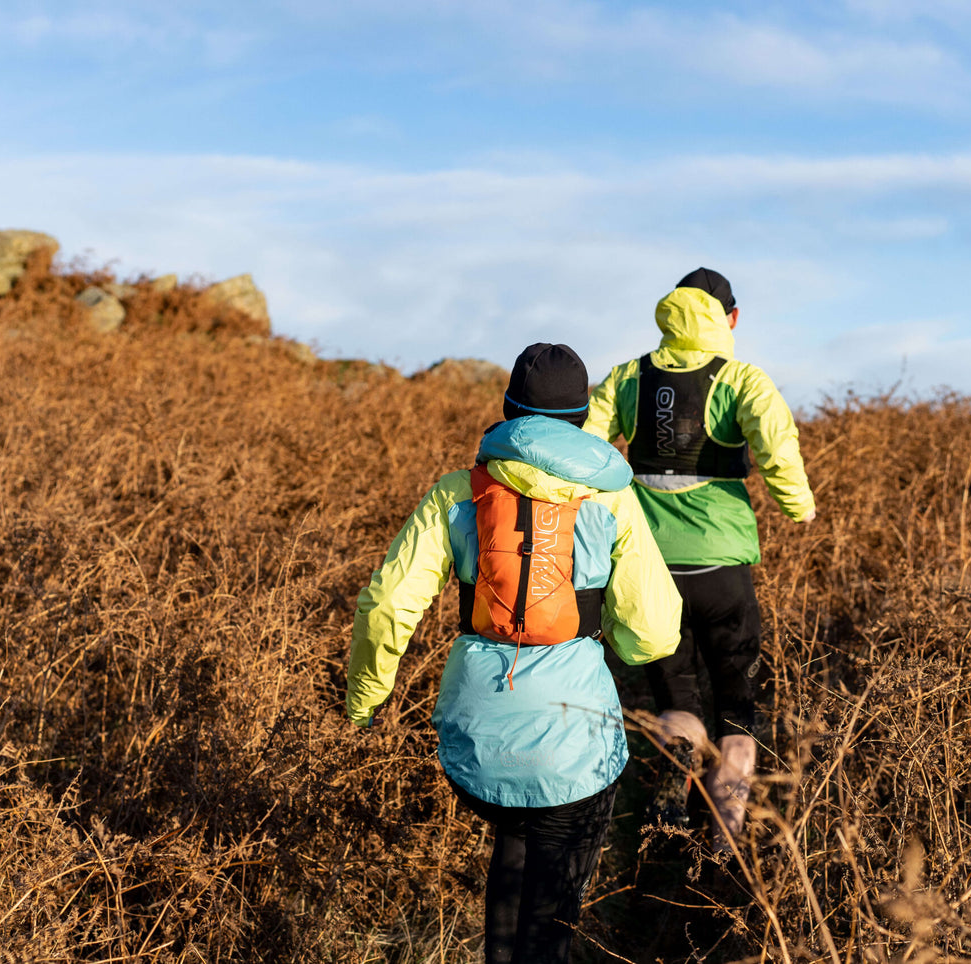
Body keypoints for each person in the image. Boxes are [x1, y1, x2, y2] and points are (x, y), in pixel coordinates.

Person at [346, 343, 681, 964]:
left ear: (507, 411)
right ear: (584, 419)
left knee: (515, 833)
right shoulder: (612, 500)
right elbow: (654, 634)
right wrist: (615, 640)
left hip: (477, 735)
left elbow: (389, 606)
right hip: (574, 737)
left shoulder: (458, 492)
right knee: (553, 903)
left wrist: (365, 701)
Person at [583, 267, 817, 853]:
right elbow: (777, 447)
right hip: (723, 568)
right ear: (731, 318)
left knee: (676, 699)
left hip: (648, 566)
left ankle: (671, 813)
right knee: (738, 706)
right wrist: (800, 509)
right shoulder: (744, 379)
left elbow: (586, 449)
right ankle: (722, 844)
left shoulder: (629, 376)